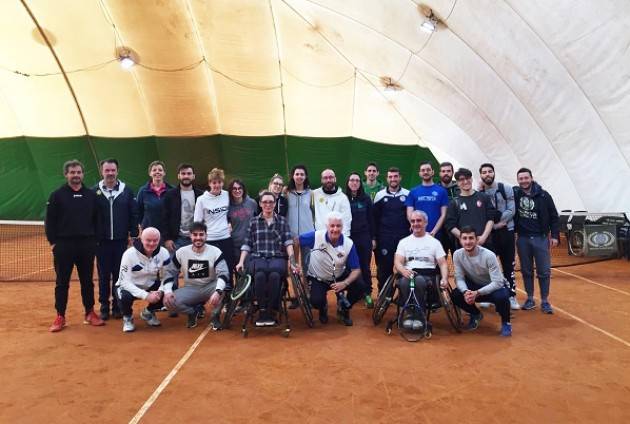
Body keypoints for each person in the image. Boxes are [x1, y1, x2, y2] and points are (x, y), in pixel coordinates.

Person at [45, 159, 105, 332]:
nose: (76, 175)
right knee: (62, 282)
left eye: (78, 172)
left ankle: (90, 312)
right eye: (72, 172)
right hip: (64, 246)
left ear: (82, 174)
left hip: (86, 245)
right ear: (66, 175)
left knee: (87, 281)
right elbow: (50, 221)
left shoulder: (91, 195)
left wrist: (96, 240)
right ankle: (60, 316)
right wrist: (54, 242)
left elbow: (97, 220)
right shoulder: (56, 195)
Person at [236, 192, 297, 326]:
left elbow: (288, 243)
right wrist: (241, 261)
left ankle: (272, 309)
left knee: (275, 274)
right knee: (259, 275)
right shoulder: (253, 222)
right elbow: (247, 244)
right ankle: (263, 310)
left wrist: (292, 262)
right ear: (260, 204)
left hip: (277, 257)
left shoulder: (282, 221)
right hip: (258, 257)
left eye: (271, 202)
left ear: (275, 204)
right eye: (265, 202)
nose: (268, 205)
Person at [93, 158, 139, 320]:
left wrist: (133, 234)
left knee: (119, 275)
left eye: (113, 170)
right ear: (102, 172)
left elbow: (133, 214)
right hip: (101, 242)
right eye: (107, 170)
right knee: (104, 275)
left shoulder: (127, 191)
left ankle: (117, 306)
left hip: (121, 241)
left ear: (117, 171)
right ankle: (104, 306)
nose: (110, 173)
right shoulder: (94, 191)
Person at [299, 211, 364, 326]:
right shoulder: (315, 236)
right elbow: (295, 240)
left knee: (360, 286)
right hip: (318, 277)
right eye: (332, 226)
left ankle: (343, 308)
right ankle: (323, 307)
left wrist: (344, 283)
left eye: (338, 226)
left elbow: (356, 270)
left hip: (338, 276)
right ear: (326, 226)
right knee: (316, 301)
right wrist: (295, 261)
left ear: (342, 227)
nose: (335, 229)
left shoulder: (348, 244)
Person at [163, 222, 230, 329]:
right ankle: (192, 312)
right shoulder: (181, 252)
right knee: (168, 302)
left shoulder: (215, 252)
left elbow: (224, 273)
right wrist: (167, 291)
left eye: (201, 234)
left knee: (222, 287)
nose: (198, 238)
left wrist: (217, 291)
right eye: (195, 235)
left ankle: (215, 316)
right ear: (190, 236)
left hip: (210, 286)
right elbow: (170, 272)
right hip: (191, 288)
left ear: (206, 235)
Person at [450, 227, 512, 337]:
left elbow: (497, 282)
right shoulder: (457, 255)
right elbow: (459, 278)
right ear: (460, 240)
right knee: (456, 295)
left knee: (502, 297)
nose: (468, 241)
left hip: (493, 288)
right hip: (474, 287)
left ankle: (506, 322)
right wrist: (465, 292)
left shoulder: (489, 255)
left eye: (471, 238)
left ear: (477, 240)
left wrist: (477, 293)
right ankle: (476, 314)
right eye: (464, 238)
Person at [513, 167, 559, 314]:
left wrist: (555, 236)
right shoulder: (515, 194)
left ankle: (545, 301)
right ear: (518, 180)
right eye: (521, 178)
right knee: (526, 271)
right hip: (523, 239)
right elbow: (497, 190)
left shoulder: (544, 196)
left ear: (531, 178)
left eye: (526, 178)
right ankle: (530, 298)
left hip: (541, 238)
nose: (524, 181)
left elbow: (554, 217)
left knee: (544, 271)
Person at [394, 211, 449, 330]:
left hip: (428, 275)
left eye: (419, 221)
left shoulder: (434, 242)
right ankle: (409, 314)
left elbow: (443, 263)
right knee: (404, 282)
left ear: (425, 223)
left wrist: (444, 278)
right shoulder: (404, 242)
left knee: (418, 281)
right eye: (413, 221)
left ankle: (419, 315)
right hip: (409, 273)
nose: (415, 224)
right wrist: (403, 271)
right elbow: (398, 262)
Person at [479, 163, 519, 310]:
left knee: (509, 266)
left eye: (490, 171)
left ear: (494, 173)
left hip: (506, 232)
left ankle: (512, 296)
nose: (487, 174)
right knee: (487, 267)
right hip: (490, 235)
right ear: (481, 175)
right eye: (484, 172)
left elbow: (512, 210)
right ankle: (488, 296)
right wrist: (493, 225)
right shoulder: (480, 192)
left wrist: (499, 219)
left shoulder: (506, 188)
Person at [116, 227, 172, 332]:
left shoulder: (164, 253)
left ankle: (148, 312)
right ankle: (127, 317)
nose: (152, 243)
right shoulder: (129, 254)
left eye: (155, 240)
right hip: (128, 286)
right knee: (125, 296)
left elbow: (167, 276)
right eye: (148, 240)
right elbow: (124, 282)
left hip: (150, 285)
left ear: (159, 240)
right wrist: (146, 295)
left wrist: (161, 291)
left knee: (170, 289)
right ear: (141, 239)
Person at [373, 167, 410, 291]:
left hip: (404, 239)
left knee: (405, 268)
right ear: (387, 179)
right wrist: (375, 238)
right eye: (390, 177)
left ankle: (403, 296)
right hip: (385, 239)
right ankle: (385, 295)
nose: (393, 179)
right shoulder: (380, 195)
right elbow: (375, 219)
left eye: (395, 176)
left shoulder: (408, 194)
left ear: (400, 178)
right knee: (384, 269)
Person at [345, 172, 376, 308]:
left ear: (360, 183)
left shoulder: (366, 199)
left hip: (364, 237)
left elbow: (371, 220)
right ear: (348, 182)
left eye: (357, 180)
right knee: (349, 266)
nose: (354, 182)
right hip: (348, 238)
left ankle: (367, 293)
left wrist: (373, 238)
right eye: (352, 180)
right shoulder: (343, 198)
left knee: (365, 266)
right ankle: (352, 293)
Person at [445, 168, 496, 250]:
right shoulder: (454, 203)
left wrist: (483, 237)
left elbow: (491, 219)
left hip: (485, 243)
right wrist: (466, 239)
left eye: (467, 178)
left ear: (472, 179)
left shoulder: (484, 197)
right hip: (464, 247)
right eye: (461, 179)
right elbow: (450, 225)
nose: (465, 181)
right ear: (457, 183)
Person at [162, 163, 203, 254]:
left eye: (189, 174)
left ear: (193, 176)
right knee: (173, 268)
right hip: (176, 240)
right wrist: (167, 239)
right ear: (178, 176)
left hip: (197, 239)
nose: (186, 176)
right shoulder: (170, 195)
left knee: (197, 267)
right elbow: (164, 218)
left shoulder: (201, 195)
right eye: (183, 174)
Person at [405, 161, 449, 238]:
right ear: (419, 173)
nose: (425, 172)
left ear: (433, 172)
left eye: (428, 170)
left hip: (436, 235)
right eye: (423, 170)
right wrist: (418, 229)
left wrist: (434, 232)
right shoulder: (413, 191)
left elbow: (443, 214)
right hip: (417, 234)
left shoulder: (442, 191)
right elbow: (409, 214)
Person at [286, 164, 315, 274]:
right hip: (291, 235)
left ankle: (307, 290)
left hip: (307, 235)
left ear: (306, 176)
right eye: (297, 174)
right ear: (292, 176)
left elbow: (315, 213)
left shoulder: (312, 194)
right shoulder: (286, 193)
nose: (299, 176)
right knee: (293, 266)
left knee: (307, 265)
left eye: (302, 174)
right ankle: (296, 291)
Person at [137, 160, 173, 236]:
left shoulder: (172, 190)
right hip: (149, 232)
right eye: (154, 170)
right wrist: (142, 227)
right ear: (150, 173)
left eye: (160, 170)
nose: (157, 172)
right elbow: (138, 211)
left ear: (164, 173)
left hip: (168, 234)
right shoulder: (143, 191)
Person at [312, 169, 352, 237]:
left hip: (337, 238)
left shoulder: (343, 197)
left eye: (331, 177)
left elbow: (347, 220)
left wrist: (344, 237)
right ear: (321, 180)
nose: (328, 180)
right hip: (320, 237)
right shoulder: (314, 194)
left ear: (335, 179)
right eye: (325, 178)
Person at [227, 179, 258, 266]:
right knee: (239, 271)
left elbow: (257, 220)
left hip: (251, 242)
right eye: (234, 189)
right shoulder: (227, 205)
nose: (237, 191)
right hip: (235, 244)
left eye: (239, 188)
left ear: (243, 190)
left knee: (250, 269)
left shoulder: (252, 203)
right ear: (231, 191)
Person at [437, 161, 460, 256]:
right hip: (440, 230)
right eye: (443, 171)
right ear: (439, 173)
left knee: (459, 259)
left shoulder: (460, 187)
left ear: (452, 173)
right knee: (440, 260)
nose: (446, 173)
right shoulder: (435, 189)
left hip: (457, 229)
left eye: (448, 171)